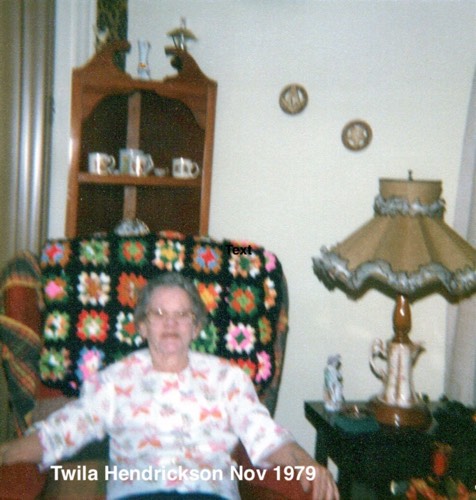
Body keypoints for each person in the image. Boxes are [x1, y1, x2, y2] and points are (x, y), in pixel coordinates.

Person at [0, 273, 339, 500]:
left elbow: (266, 438)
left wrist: (306, 463)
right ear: (142, 325)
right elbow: (59, 434)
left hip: (210, 495)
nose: (171, 323)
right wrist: (6, 453)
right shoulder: (114, 381)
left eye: (182, 315)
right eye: (159, 314)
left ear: (196, 326)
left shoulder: (228, 379)